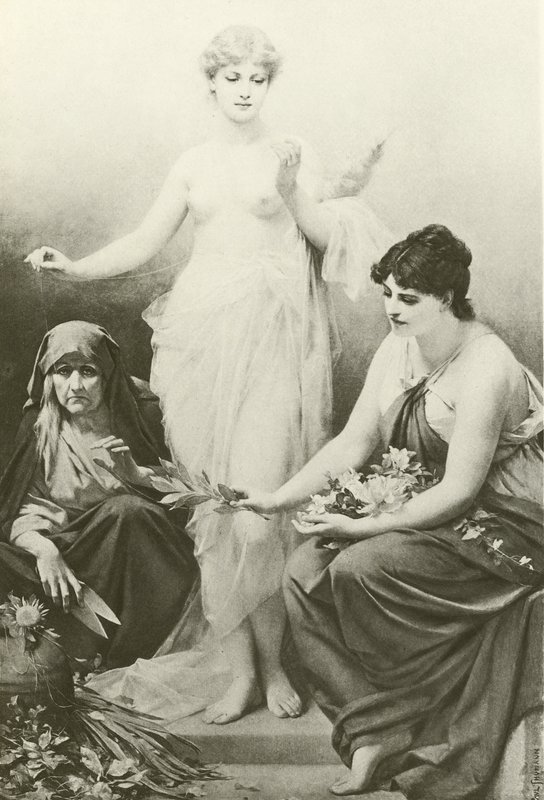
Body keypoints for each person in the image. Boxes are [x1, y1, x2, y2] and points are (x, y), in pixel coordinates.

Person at [24, 25, 392, 722]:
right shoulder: (192, 164)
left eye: (258, 78)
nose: (246, 90)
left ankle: (277, 664)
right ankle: (242, 670)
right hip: (197, 347)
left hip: (273, 343)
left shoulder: (292, 152)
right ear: (213, 84)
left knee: (257, 514)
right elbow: (143, 241)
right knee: (210, 515)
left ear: (268, 84)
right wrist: (74, 268)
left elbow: (322, 236)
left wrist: (290, 189)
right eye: (233, 78)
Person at [234, 224, 544, 799]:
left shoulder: (486, 365)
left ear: (447, 298)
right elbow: (355, 442)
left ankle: (415, 712)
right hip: (432, 506)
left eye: (408, 297)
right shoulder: (398, 344)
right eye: (387, 293)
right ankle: (374, 732)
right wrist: (279, 497)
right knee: (303, 574)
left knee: (360, 569)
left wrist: (363, 526)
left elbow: (460, 491)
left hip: (506, 519)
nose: (392, 308)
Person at [0, 321, 198, 669]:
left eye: (88, 371)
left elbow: (190, 495)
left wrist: (137, 475)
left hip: (130, 557)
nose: (75, 385)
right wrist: (45, 550)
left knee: (128, 512)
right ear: (49, 377)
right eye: (63, 371)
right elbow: (20, 508)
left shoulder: (140, 413)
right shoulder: (40, 426)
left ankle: (123, 650)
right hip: (66, 551)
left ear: (107, 376)